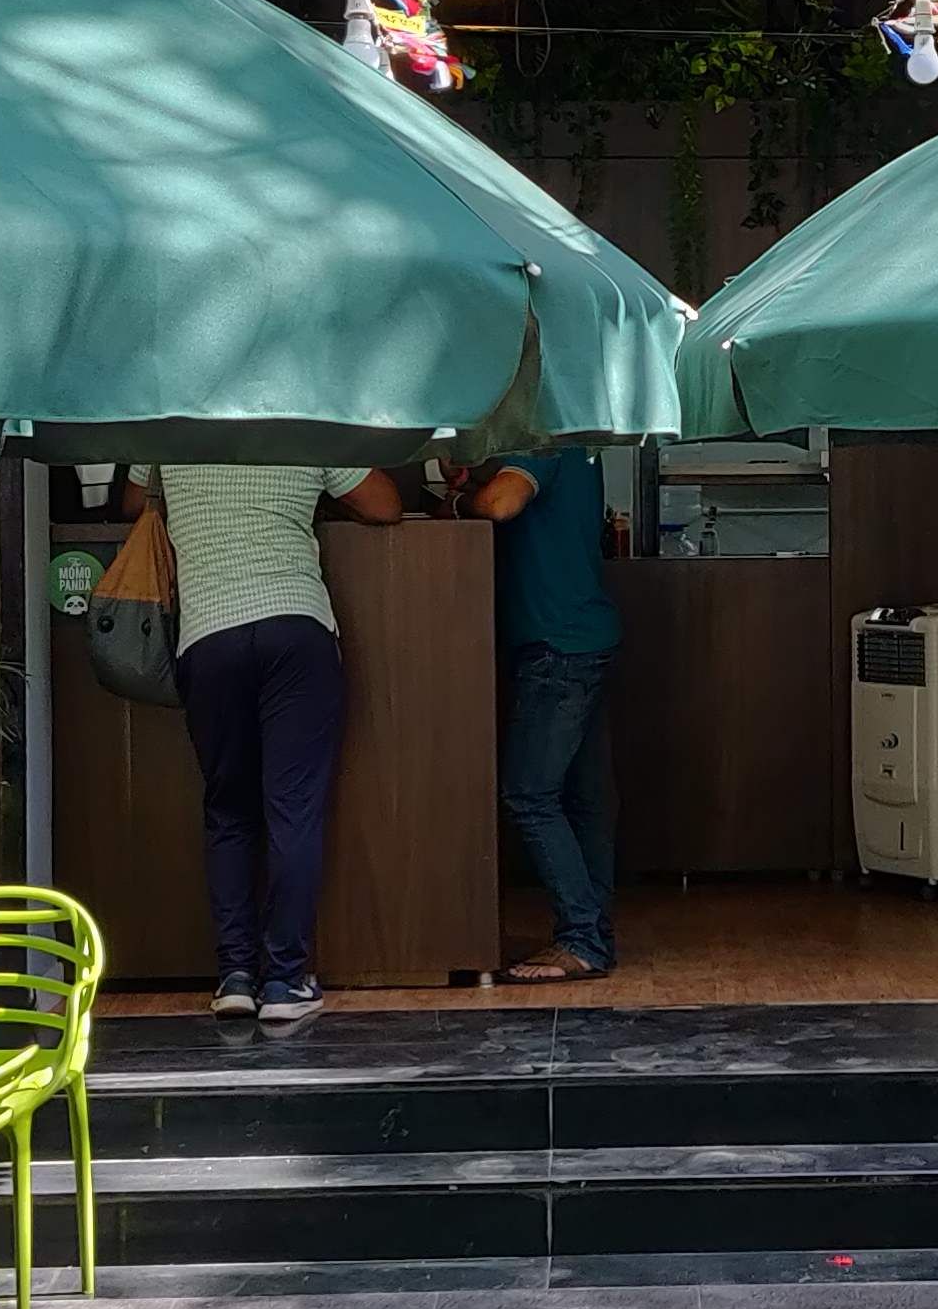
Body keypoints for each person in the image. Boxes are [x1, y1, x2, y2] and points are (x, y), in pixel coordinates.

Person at [155, 458, 400, 1023]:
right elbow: (383, 504)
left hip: (209, 636)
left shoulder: (173, 425)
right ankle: (286, 982)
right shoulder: (305, 421)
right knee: (294, 811)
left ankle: (236, 977)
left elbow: (129, 501)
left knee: (228, 811)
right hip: (296, 629)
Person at [457, 433, 620, 982]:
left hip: (558, 650)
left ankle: (580, 937)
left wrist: (464, 500)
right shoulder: (576, 446)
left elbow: (503, 504)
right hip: (585, 638)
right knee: (586, 800)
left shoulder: (544, 444)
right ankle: (594, 936)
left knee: (528, 793)